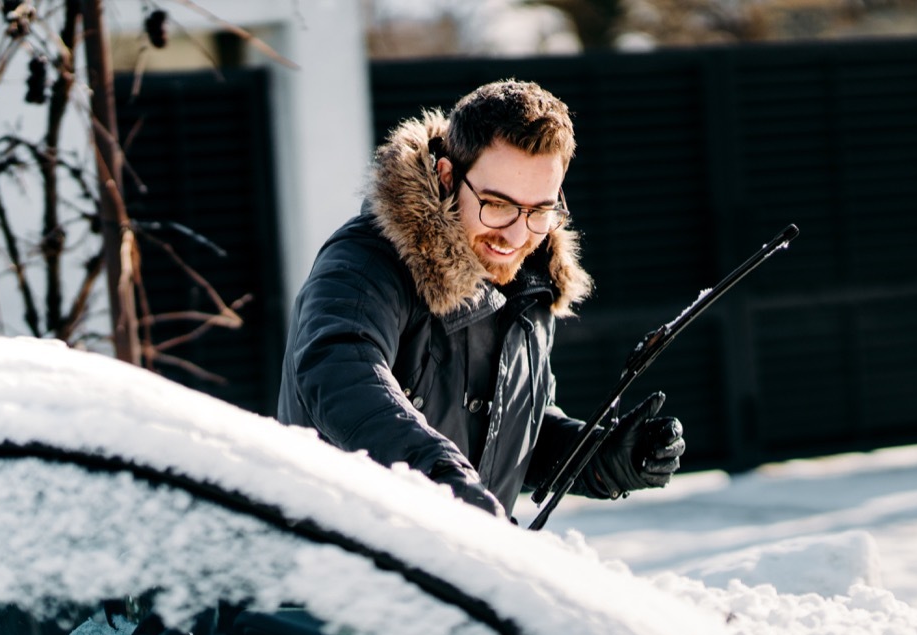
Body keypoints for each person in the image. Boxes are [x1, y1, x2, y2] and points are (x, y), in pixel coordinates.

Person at [277, 79, 685, 521]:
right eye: (497, 204)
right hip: (345, 550)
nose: (516, 235)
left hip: (459, 556)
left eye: (539, 210)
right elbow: (339, 370)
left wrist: (601, 459)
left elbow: (510, 432)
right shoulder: (367, 261)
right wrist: (437, 474)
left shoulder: (531, 286)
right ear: (447, 176)